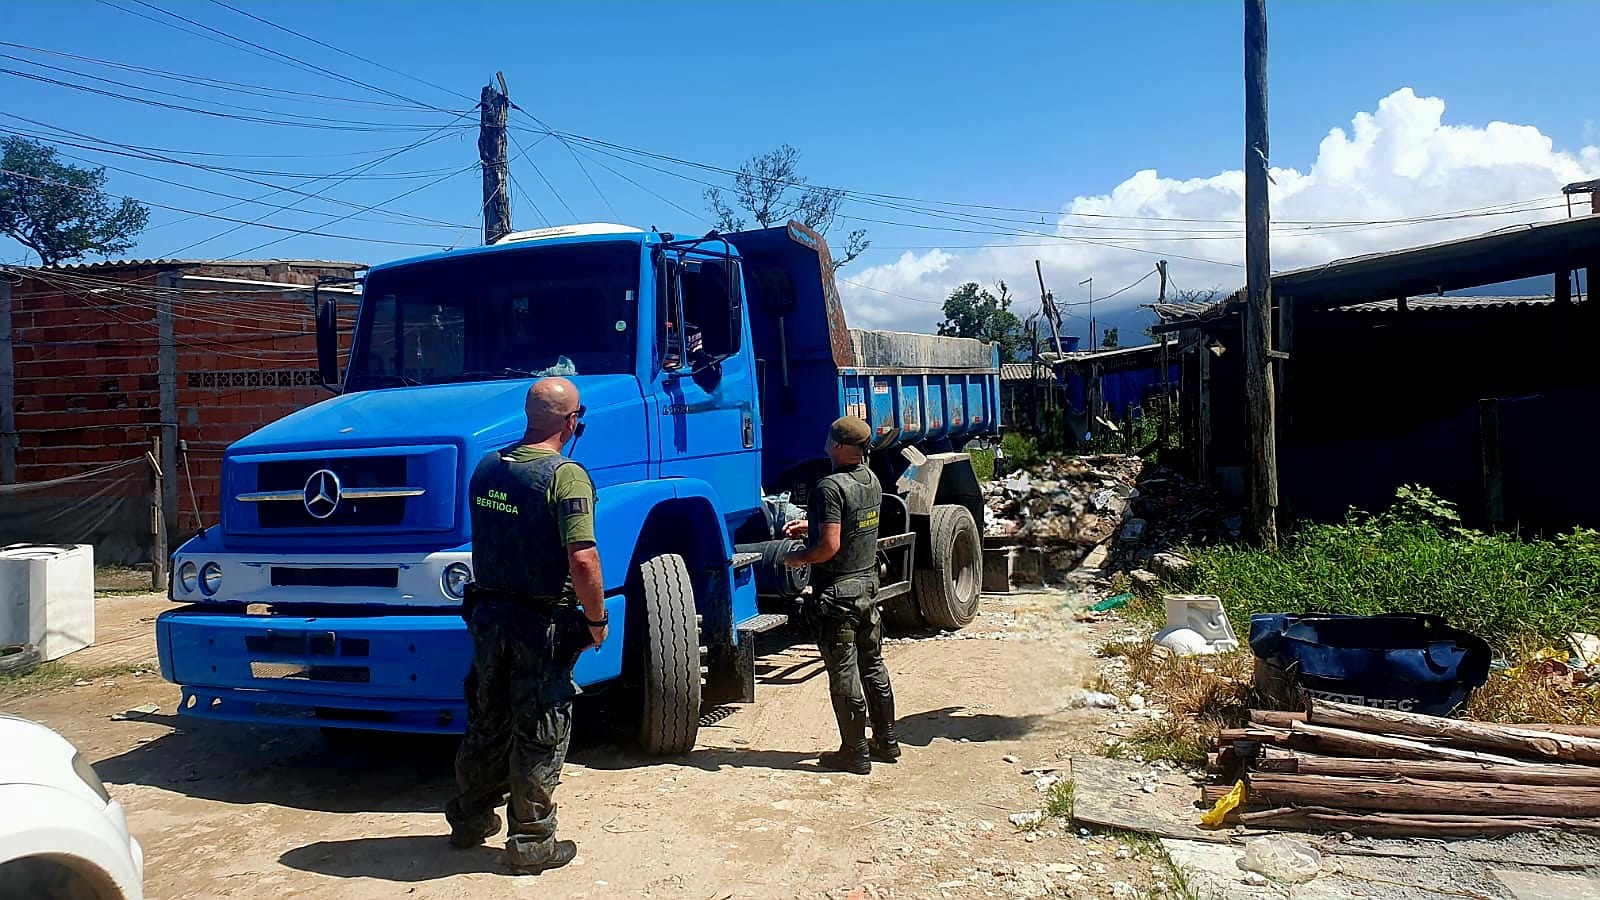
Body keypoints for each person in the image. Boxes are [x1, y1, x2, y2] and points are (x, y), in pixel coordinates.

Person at [445, 376, 609, 874]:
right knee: (540, 728)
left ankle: (470, 821)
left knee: (487, 718)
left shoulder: (487, 468)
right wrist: (597, 620)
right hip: (541, 623)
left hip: (489, 617)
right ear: (570, 421)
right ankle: (532, 841)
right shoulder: (566, 476)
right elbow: (582, 559)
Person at [782, 416, 900, 775]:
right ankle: (887, 740)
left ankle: (854, 752)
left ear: (836, 445)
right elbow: (853, 526)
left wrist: (798, 557)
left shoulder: (829, 486)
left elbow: (830, 546)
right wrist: (811, 525)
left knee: (844, 672)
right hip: (867, 586)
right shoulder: (871, 480)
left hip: (839, 595)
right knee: (873, 663)